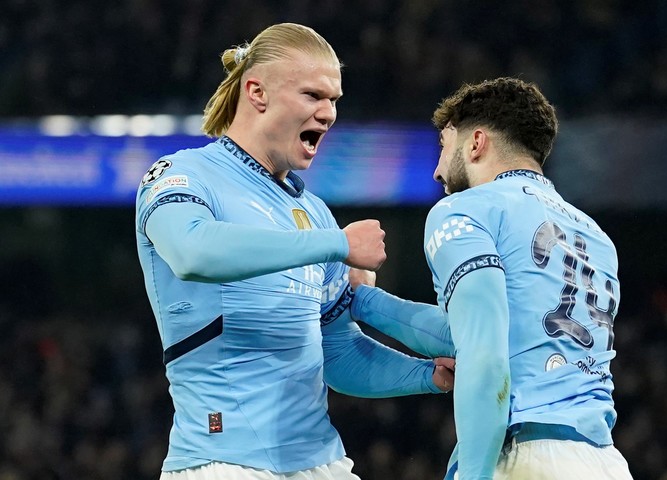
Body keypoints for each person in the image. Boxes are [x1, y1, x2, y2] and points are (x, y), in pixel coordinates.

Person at [134, 23, 455, 480]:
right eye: (312, 96)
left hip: (320, 463)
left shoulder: (314, 212)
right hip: (223, 462)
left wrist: (427, 376)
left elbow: (338, 354)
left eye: (334, 101)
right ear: (257, 93)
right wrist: (338, 244)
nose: (328, 113)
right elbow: (191, 252)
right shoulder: (182, 174)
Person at [421, 77, 634, 479]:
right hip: (605, 460)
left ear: (476, 143)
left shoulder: (466, 209)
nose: (436, 171)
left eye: (443, 148)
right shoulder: (597, 237)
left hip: (528, 452)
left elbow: (484, 355)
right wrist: (363, 302)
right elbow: (512, 331)